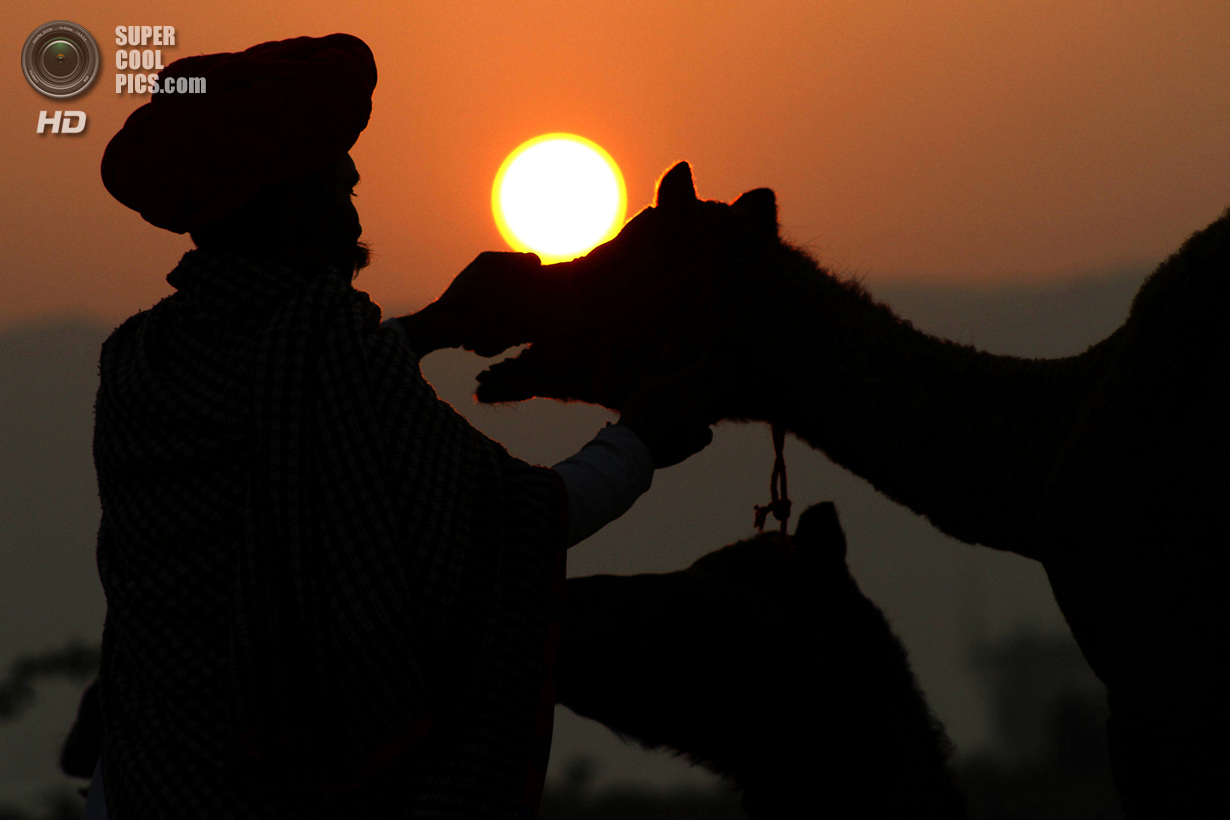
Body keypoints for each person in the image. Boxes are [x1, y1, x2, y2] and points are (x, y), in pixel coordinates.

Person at [88, 33, 712, 818]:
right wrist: (642, 439)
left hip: (141, 786)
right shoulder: (325, 345)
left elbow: (289, 408)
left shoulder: (140, 359)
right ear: (293, 217)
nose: (354, 209)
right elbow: (511, 524)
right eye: (339, 190)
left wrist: (439, 325)